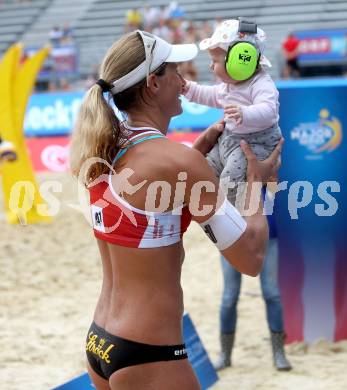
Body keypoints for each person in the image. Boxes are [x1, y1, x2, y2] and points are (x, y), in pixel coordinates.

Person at [70, 30, 283, 390]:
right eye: (175, 71)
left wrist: (194, 154)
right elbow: (251, 257)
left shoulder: (105, 144)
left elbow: (150, 208)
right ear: (153, 83)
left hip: (101, 341)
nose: (184, 79)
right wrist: (257, 186)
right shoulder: (175, 160)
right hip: (148, 350)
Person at [183, 19, 282, 205]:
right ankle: (205, 210)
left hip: (256, 144)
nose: (211, 66)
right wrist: (188, 89)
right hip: (229, 141)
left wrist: (245, 113)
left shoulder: (261, 84)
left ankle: (230, 217)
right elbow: (210, 95)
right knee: (203, 170)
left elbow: (269, 110)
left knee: (229, 181)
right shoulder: (228, 86)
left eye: (214, 61)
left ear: (240, 61)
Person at [214, 185, 292, 372]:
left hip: (268, 236)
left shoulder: (265, 160)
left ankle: (278, 353)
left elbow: (280, 192)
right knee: (229, 297)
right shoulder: (227, 161)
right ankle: (225, 354)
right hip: (232, 236)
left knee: (271, 294)